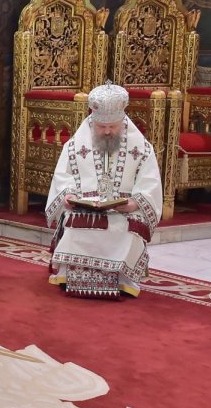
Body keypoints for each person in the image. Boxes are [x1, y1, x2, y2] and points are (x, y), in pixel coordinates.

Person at [47, 82, 163, 299]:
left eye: (113, 126)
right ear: (92, 121)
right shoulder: (74, 146)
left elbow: (150, 182)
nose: (108, 131)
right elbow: (63, 176)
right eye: (102, 127)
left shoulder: (142, 147)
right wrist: (69, 196)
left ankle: (123, 280)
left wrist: (135, 202)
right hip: (85, 206)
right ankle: (71, 277)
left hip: (124, 209)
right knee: (74, 222)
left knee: (126, 227)